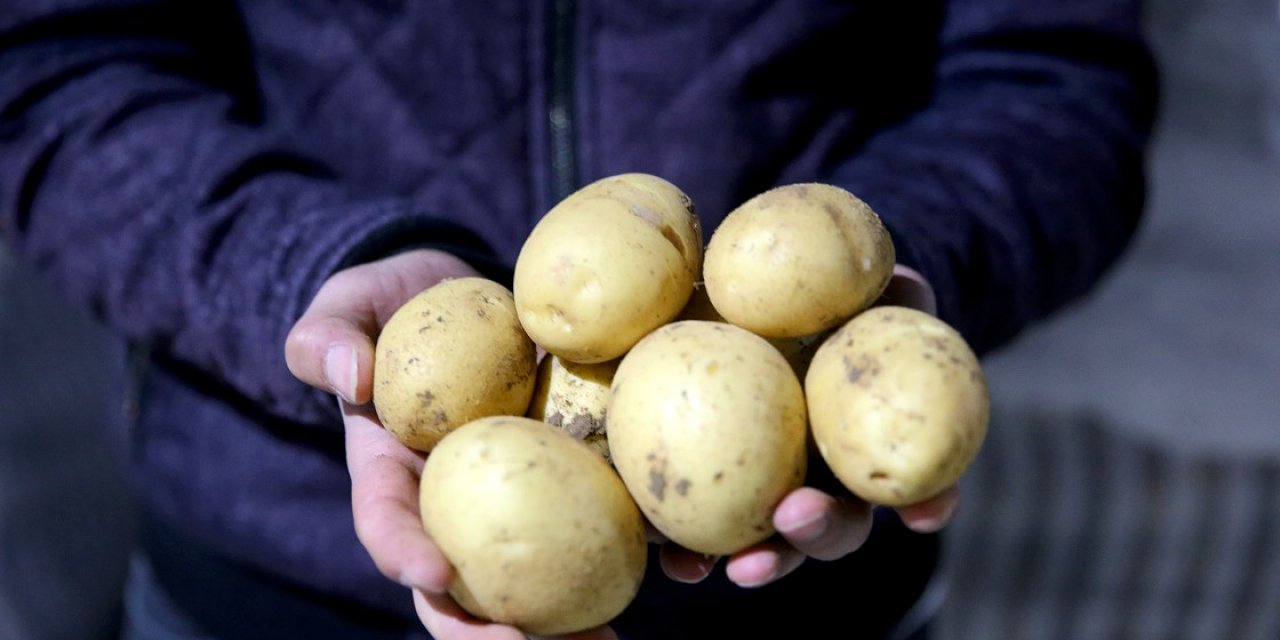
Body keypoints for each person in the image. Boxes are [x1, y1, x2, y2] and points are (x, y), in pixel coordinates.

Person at [0, 1, 1158, 638]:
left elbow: (1053, 80)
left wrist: (864, 272)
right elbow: (48, 72)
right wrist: (309, 263)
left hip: (802, 601)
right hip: (263, 582)